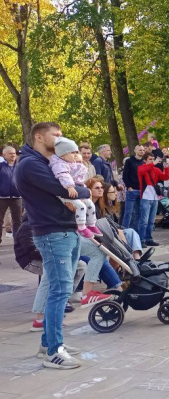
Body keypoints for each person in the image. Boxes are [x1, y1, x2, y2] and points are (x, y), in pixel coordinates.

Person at [15, 122, 92, 369]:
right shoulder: (30, 164)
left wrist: (81, 190)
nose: (61, 138)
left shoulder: (48, 161)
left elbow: (75, 188)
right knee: (59, 291)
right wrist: (83, 191)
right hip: (52, 232)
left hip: (65, 229)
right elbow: (67, 189)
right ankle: (53, 352)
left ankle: (49, 343)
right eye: (56, 135)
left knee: (61, 290)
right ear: (39, 137)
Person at [49, 137, 102, 239]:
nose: (76, 155)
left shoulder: (71, 163)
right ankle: (81, 226)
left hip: (76, 190)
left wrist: (79, 163)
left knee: (90, 205)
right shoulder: (59, 165)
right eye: (73, 153)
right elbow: (64, 175)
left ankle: (91, 224)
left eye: (76, 153)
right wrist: (70, 187)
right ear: (63, 154)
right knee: (81, 206)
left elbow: (80, 177)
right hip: (67, 192)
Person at [137, 153, 169, 247]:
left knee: (151, 221)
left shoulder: (155, 169)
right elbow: (143, 171)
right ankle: (141, 239)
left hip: (155, 198)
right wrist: (154, 163)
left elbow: (165, 177)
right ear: (145, 160)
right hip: (145, 198)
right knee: (144, 221)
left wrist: (166, 168)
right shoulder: (141, 168)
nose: (152, 161)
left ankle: (149, 238)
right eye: (150, 159)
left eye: (153, 159)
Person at [0, 145, 22, 244]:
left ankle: (17, 240)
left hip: (17, 197)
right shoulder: (1, 166)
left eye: (14, 153)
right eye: (10, 153)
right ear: (4, 155)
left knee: (18, 220)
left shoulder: (20, 166)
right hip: (2, 197)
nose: (13, 155)